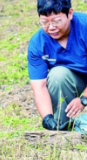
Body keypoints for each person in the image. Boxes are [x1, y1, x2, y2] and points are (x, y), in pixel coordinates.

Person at [27, 0, 87, 132]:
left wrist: (83, 99)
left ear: (69, 14)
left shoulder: (84, 26)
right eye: (44, 22)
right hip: (76, 81)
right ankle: (63, 129)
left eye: (56, 21)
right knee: (57, 75)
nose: (51, 27)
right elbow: (39, 86)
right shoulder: (38, 43)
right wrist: (47, 118)